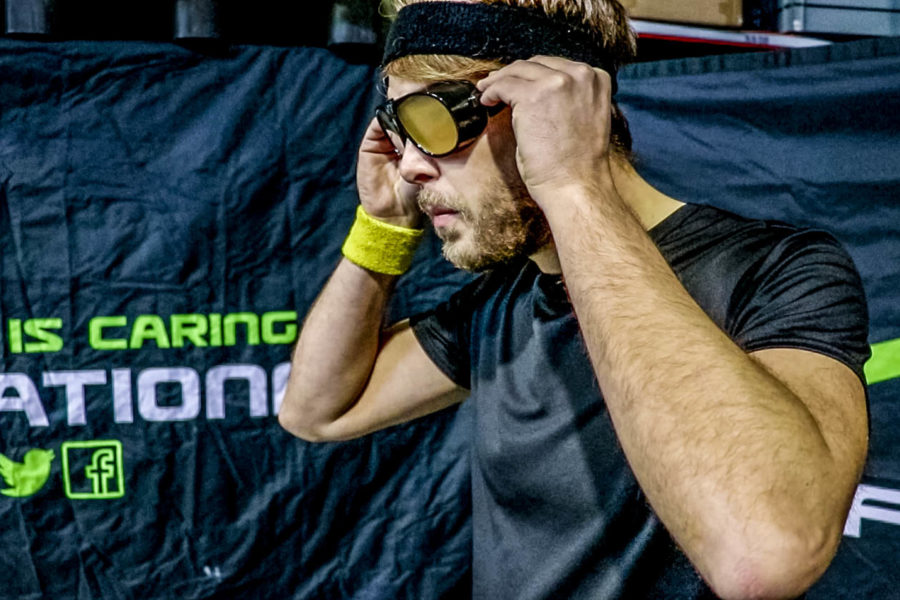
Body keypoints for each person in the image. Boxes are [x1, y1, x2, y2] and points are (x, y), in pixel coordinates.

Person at [279, 0, 871, 598]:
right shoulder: (505, 298)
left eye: (433, 119)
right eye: (397, 131)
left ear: (553, 104)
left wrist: (572, 183)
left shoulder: (773, 270)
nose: (409, 167)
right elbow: (317, 410)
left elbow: (764, 555)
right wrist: (381, 228)